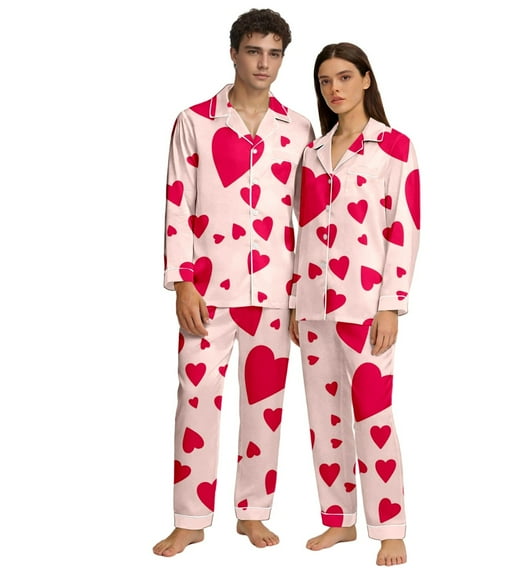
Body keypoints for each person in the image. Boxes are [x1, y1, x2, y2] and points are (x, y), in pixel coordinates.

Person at [153, 8, 314, 557]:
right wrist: (182, 282)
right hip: (207, 292)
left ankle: (252, 512)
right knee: (195, 401)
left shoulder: (299, 129)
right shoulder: (195, 121)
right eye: (254, 51)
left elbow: (307, 217)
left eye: (274, 54)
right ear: (233, 53)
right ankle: (190, 518)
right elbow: (178, 204)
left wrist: (302, 295)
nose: (263, 63)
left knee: (264, 407)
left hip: (275, 292)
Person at [289, 42, 420, 566]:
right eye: (325, 81)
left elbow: (404, 227)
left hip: (366, 306)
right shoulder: (312, 153)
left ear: (366, 79)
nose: (335, 89)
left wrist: (391, 303)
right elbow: (301, 229)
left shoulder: (394, 147)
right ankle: (338, 520)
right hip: (313, 305)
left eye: (344, 77)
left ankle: (390, 528)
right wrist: (296, 299)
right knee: (324, 418)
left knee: (372, 413)